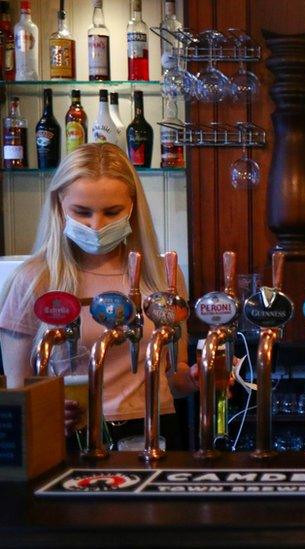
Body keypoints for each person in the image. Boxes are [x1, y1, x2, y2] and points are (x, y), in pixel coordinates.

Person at [0, 143, 197, 445]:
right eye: (82, 212)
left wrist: (201, 377)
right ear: (59, 206)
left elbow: (175, 378)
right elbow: (18, 393)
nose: (96, 225)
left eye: (112, 212)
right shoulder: (33, 280)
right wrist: (45, 410)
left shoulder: (161, 276)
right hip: (70, 438)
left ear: (133, 207)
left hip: (155, 431)